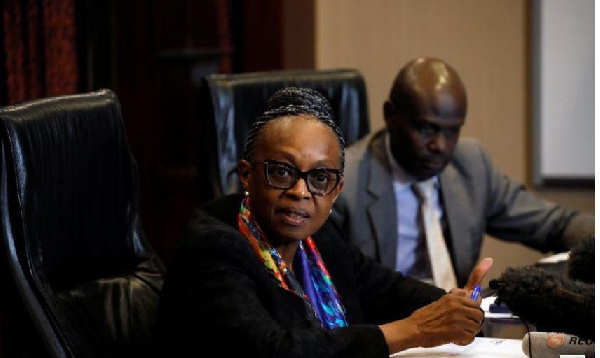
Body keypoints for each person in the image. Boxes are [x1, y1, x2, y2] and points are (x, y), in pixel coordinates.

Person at [156, 87, 493, 357]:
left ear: (336, 189)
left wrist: (456, 305)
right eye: (283, 172)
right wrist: (413, 330)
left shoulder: (318, 238)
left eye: (320, 178)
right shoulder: (214, 246)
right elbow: (269, 349)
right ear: (247, 174)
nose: (301, 192)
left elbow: (388, 289)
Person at [331, 57, 594, 289]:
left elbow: (553, 224)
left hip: (459, 334)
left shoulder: (470, 163)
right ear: (390, 115)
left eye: (452, 130)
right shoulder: (346, 183)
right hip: (386, 334)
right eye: (425, 129)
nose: (440, 146)